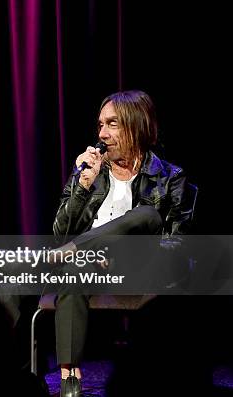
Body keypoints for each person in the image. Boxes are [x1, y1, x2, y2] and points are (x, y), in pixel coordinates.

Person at [50, 90, 194, 395]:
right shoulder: (91, 173)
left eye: (112, 124)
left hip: (143, 268)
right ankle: (69, 378)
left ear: (136, 125)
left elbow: (177, 243)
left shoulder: (170, 177)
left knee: (145, 214)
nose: (102, 133)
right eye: (100, 124)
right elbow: (59, 234)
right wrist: (82, 186)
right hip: (90, 266)